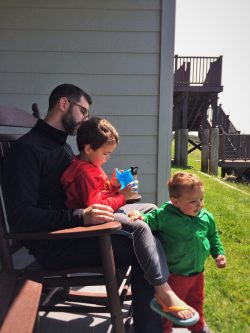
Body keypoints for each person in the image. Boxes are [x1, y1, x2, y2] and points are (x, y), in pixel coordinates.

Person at [3, 84, 194, 333]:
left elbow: (82, 193)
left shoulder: (63, 148)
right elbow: (21, 218)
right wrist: (80, 217)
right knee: (144, 242)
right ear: (63, 104)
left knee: (152, 216)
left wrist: (111, 188)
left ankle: (154, 309)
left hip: (79, 231)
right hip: (56, 244)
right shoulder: (27, 151)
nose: (85, 119)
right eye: (82, 111)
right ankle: (156, 312)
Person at [60, 117, 197, 325]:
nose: (107, 158)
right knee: (141, 229)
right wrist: (123, 196)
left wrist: (113, 186)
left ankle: (162, 275)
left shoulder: (89, 165)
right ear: (88, 148)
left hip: (105, 215)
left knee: (152, 210)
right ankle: (161, 287)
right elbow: (96, 208)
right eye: (105, 154)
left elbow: (100, 193)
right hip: (96, 225)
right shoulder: (83, 173)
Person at [129, 172, 227, 333]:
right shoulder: (166, 216)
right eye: (193, 201)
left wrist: (218, 254)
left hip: (197, 273)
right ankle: (165, 329)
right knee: (170, 307)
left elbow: (213, 235)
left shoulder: (206, 217)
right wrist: (139, 216)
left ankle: (198, 327)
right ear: (175, 201)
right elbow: (149, 221)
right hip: (174, 275)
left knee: (197, 302)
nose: (199, 205)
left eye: (201, 199)